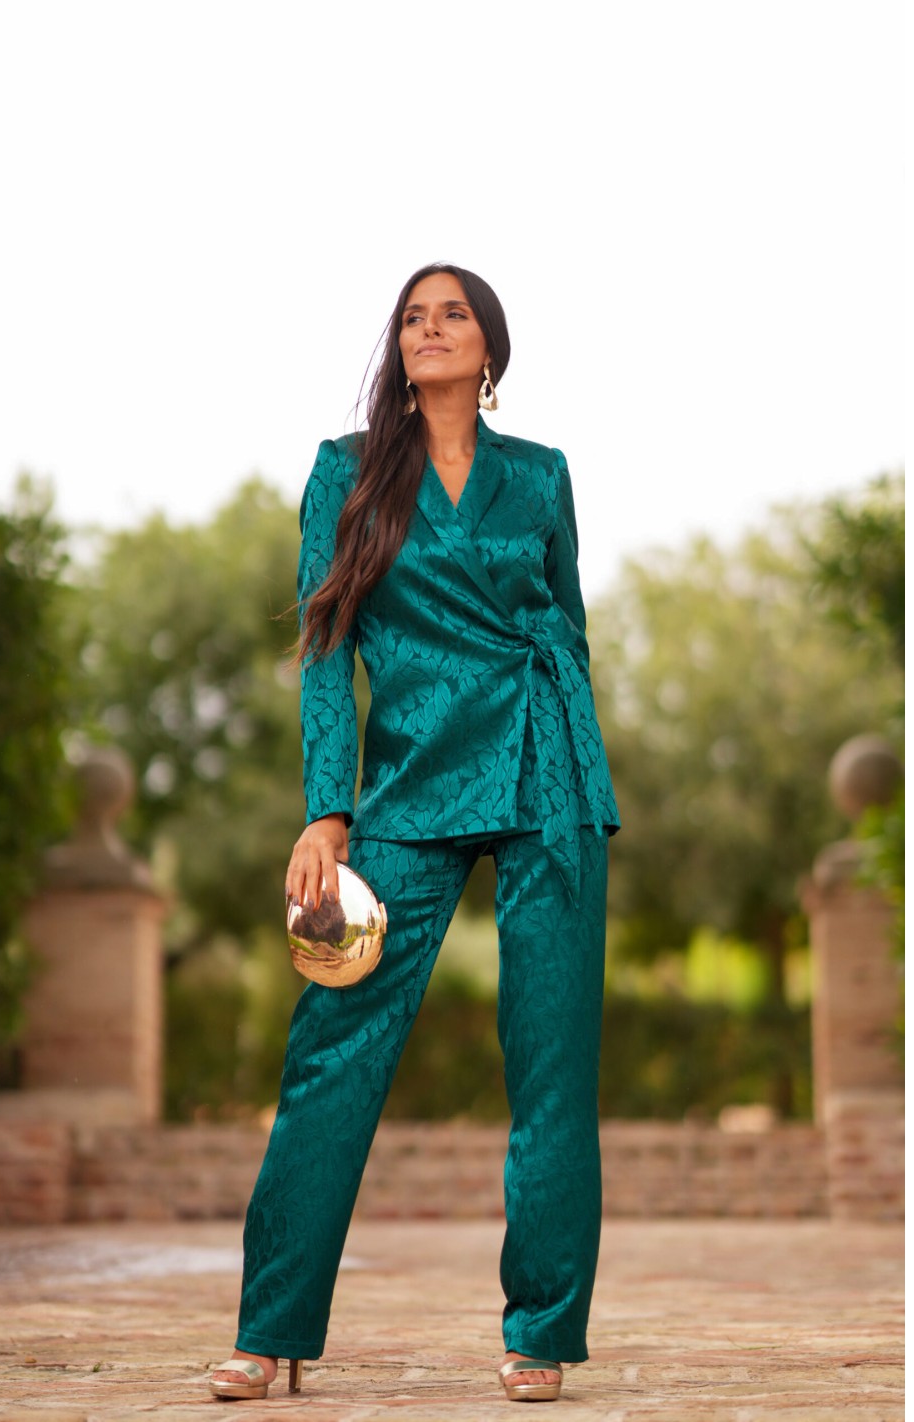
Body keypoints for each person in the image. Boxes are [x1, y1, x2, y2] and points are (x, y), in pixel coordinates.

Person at [209, 263, 619, 1404]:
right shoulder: (344, 472)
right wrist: (325, 809)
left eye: (453, 314)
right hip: (408, 782)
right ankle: (270, 1329)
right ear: (397, 348)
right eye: (412, 317)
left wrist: (581, 762)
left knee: (552, 1065)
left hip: (545, 771)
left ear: (489, 347)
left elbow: (568, 629)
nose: (429, 329)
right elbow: (325, 649)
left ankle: (541, 1333)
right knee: (331, 1050)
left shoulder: (541, 473)